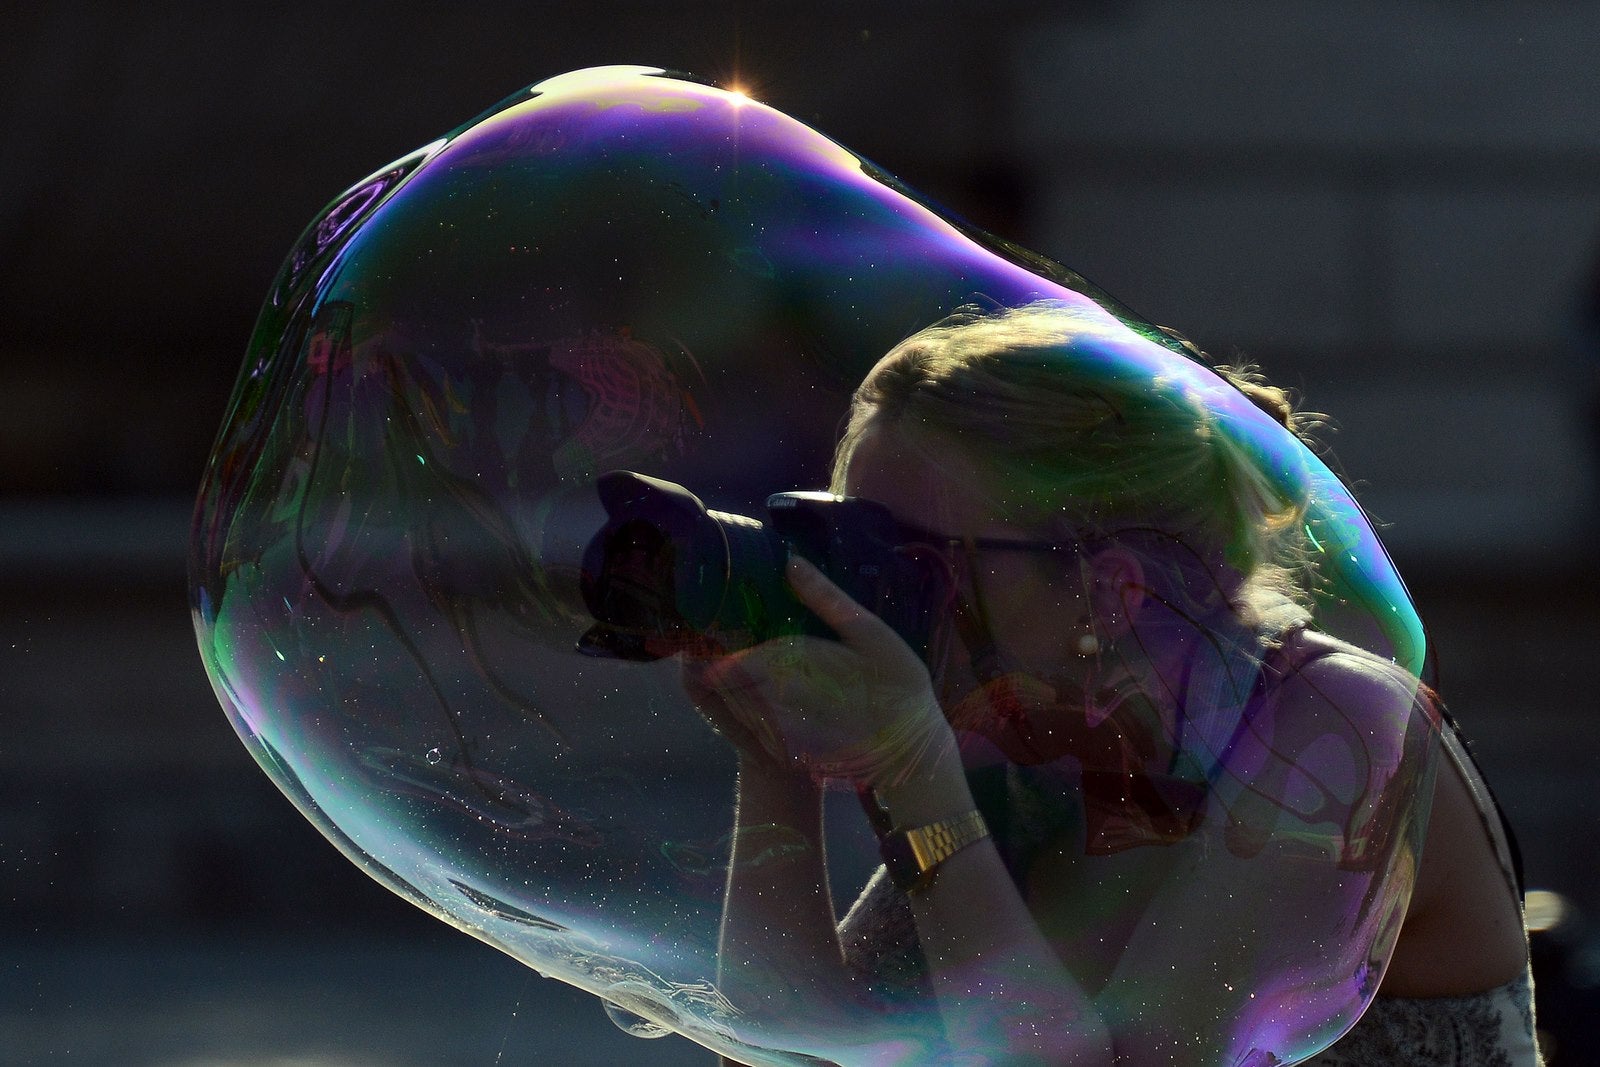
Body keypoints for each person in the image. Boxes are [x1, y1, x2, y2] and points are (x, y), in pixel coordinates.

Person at [685, 302, 1539, 1065]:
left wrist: (918, 780)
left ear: (1108, 592)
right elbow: (788, 1056)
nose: (870, 598)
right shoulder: (1026, 751)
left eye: (917, 565)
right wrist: (776, 762)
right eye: (853, 549)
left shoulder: (1339, 726)